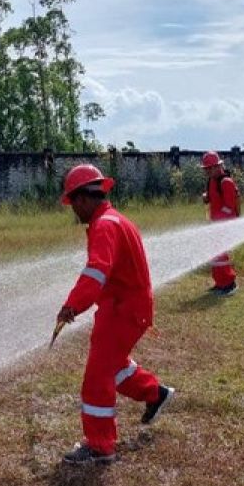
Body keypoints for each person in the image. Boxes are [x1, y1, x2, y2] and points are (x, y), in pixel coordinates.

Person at [56, 164, 174, 464]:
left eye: (74, 205)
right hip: (121, 308)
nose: (75, 212)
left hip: (123, 310)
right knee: (114, 366)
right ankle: (155, 393)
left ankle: (99, 445)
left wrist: (73, 305)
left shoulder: (105, 225)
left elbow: (97, 271)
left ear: (83, 199)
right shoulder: (115, 219)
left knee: (97, 376)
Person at [201, 151, 239, 296]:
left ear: (219, 166)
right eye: (206, 169)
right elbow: (212, 198)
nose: (208, 171)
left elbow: (229, 207)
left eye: (211, 168)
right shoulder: (212, 181)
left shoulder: (226, 182)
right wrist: (206, 197)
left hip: (225, 225)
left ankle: (229, 283)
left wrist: (220, 222)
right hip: (216, 224)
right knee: (215, 254)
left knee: (222, 255)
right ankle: (219, 283)